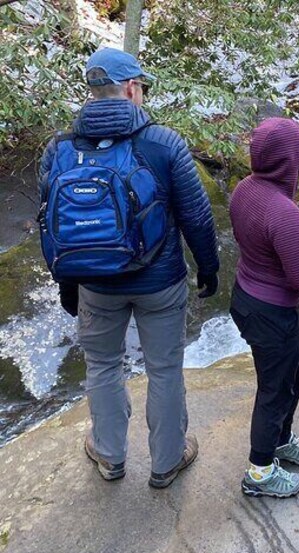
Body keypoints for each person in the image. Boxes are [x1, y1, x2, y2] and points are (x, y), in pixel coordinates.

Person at [39, 48, 220, 487]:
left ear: (92, 93)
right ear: (133, 89)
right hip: (160, 282)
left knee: (103, 365)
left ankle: (110, 455)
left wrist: (67, 282)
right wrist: (210, 267)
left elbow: (50, 222)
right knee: (163, 368)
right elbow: (197, 216)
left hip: (95, 285)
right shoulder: (164, 143)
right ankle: (166, 462)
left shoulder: (60, 148)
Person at [229, 117, 299, 499]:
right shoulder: (283, 212)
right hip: (274, 313)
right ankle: (260, 472)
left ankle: (282, 441)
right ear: (289, 160)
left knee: (293, 380)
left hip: (248, 298)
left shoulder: (245, 189)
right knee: (274, 391)